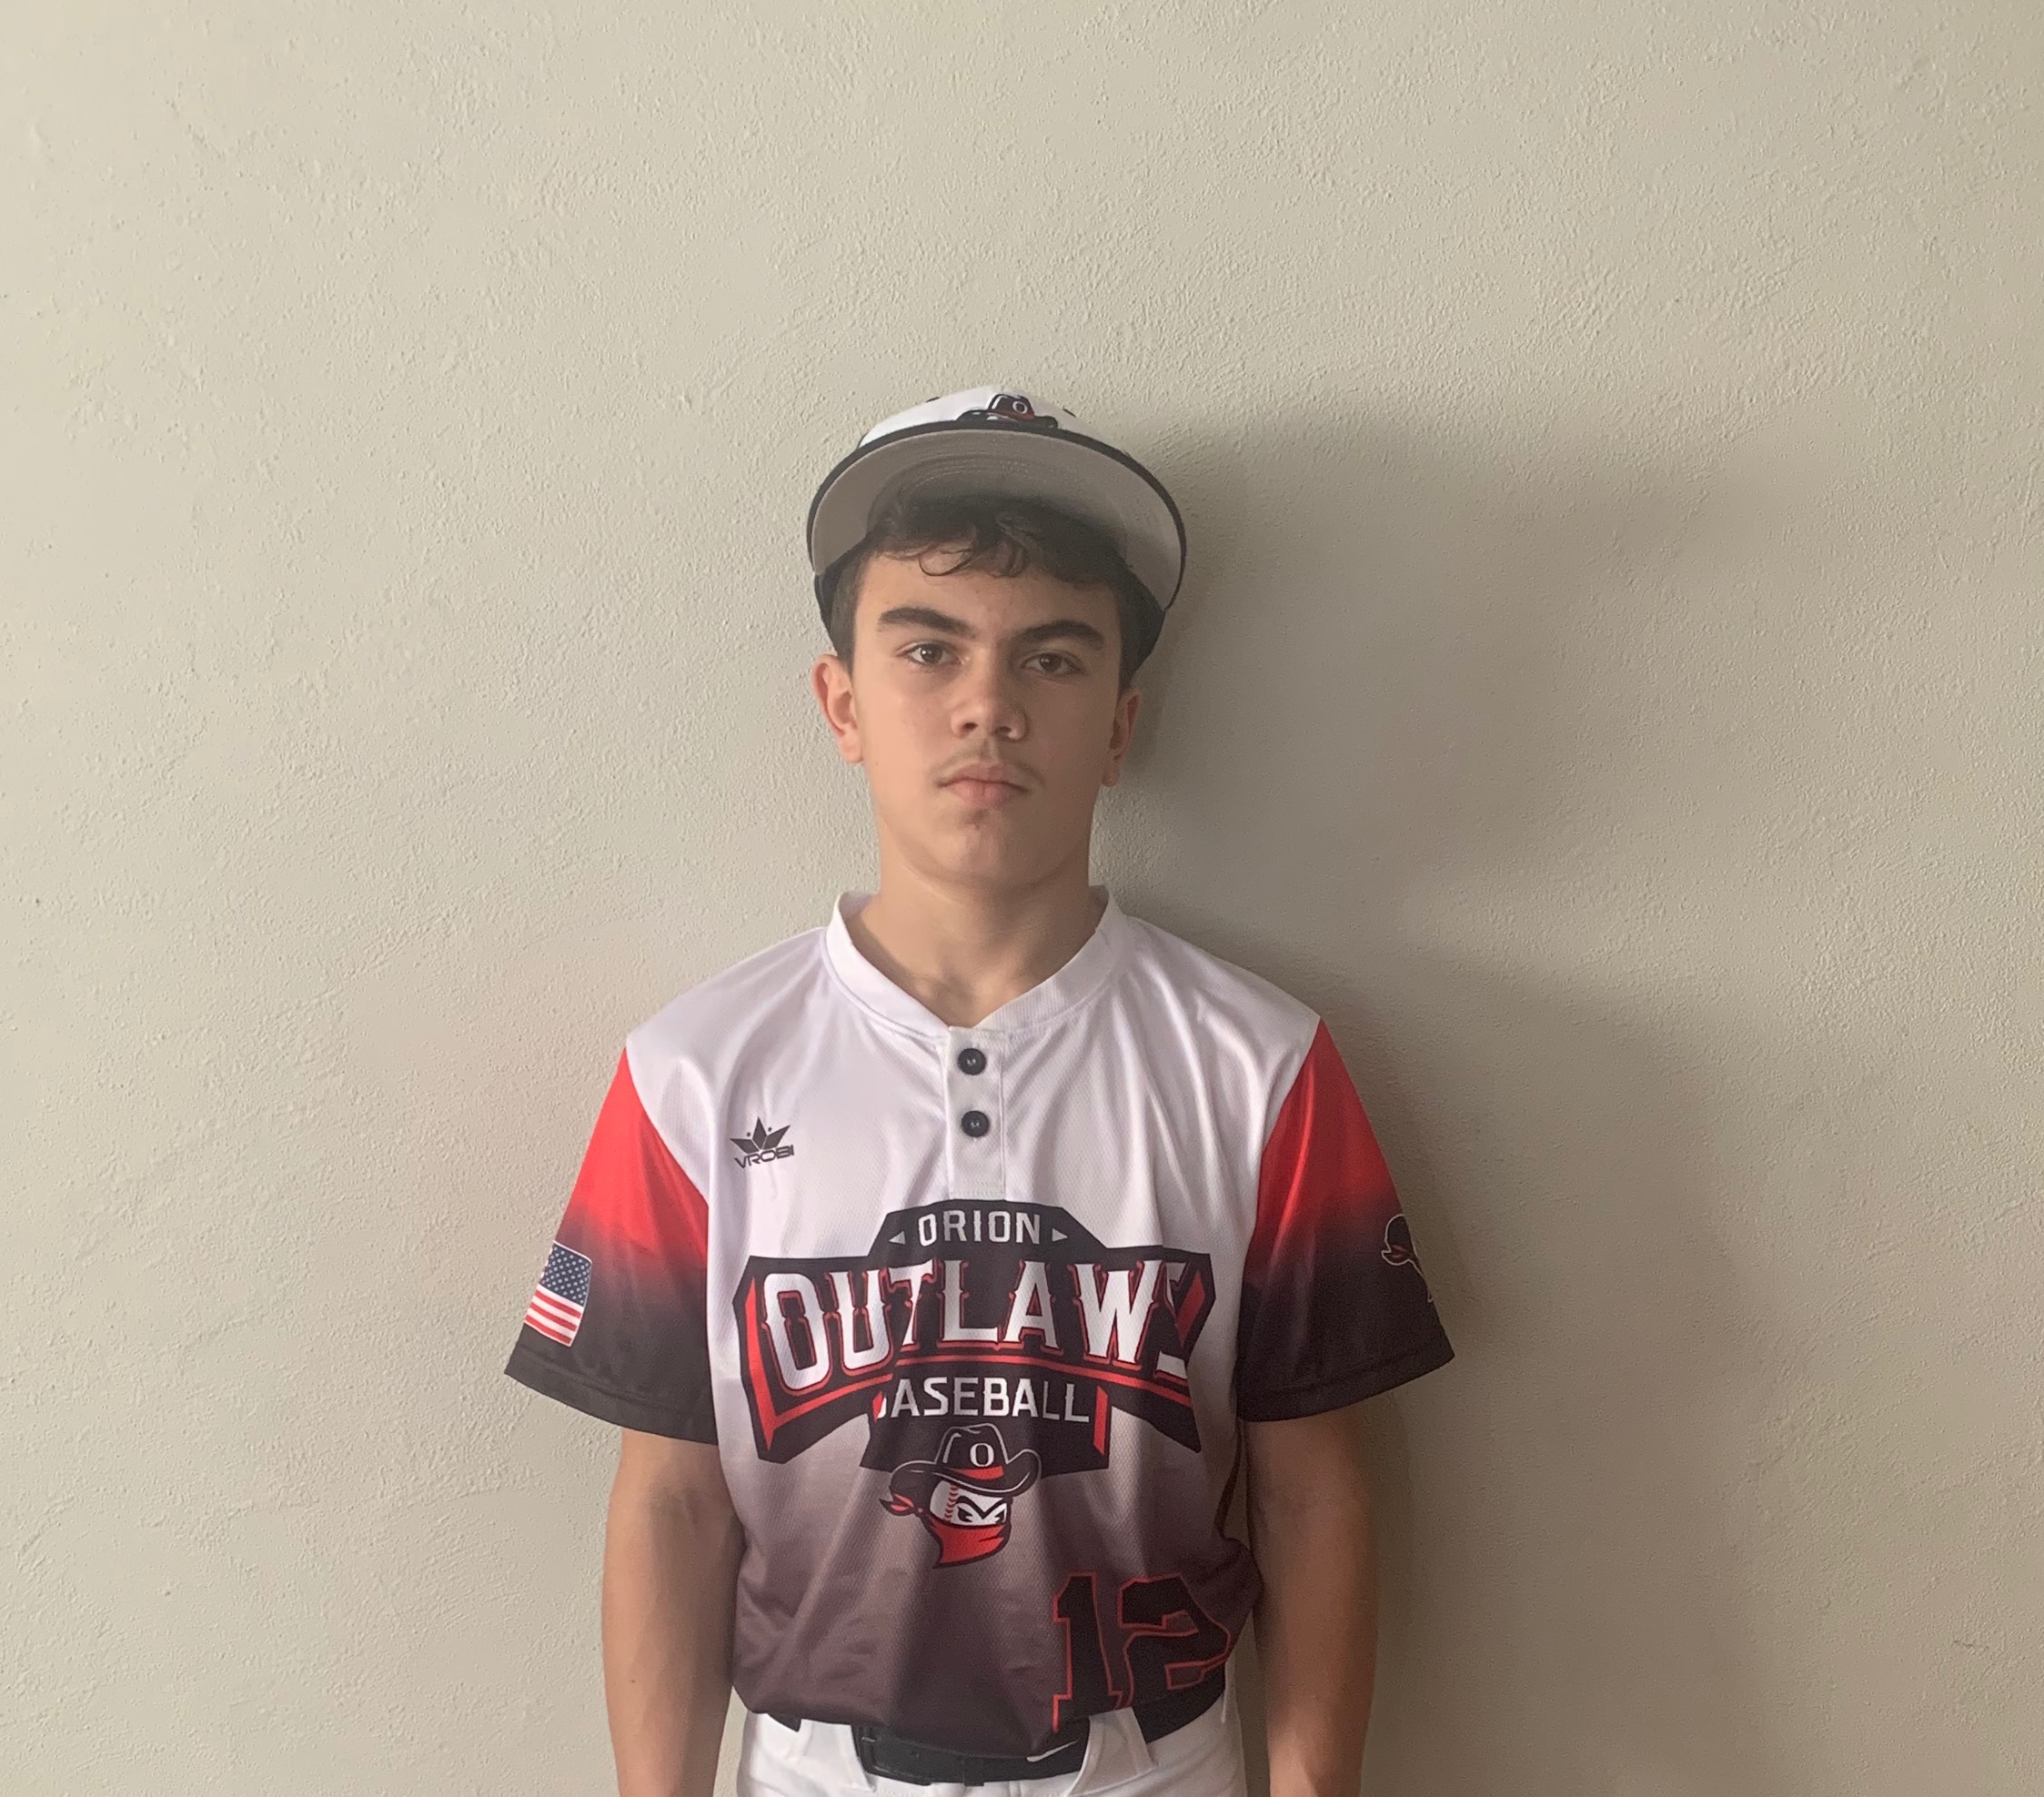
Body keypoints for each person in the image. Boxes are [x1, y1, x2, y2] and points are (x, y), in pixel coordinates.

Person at [502, 387, 1455, 1797]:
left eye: (1051, 658)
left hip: (1150, 1767)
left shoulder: (1263, 1066)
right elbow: (674, 1504)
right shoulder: (692, 1071)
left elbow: (1313, 1492)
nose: (989, 706)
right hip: (816, 1773)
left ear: (1120, 723)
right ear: (842, 704)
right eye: (928, 647)